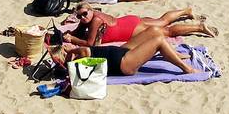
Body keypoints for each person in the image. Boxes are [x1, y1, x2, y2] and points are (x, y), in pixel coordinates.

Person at [52, 27, 198, 78]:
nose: (67, 46)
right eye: (65, 49)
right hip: (124, 64)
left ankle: (174, 55)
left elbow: (94, 49)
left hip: (121, 52)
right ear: (65, 56)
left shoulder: (76, 55)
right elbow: (84, 51)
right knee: (158, 40)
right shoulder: (77, 57)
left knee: (153, 31)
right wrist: (72, 51)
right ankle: (187, 69)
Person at [70, 5, 215, 44]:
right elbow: (77, 31)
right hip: (128, 21)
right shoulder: (94, 15)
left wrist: (72, 40)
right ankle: (186, 11)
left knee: (168, 31)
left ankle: (199, 27)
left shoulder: (95, 21)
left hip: (132, 30)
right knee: (162, 20)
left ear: (90, 10)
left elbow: (89, 43)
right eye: (79, 16)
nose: (83, 18)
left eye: (85, 14)